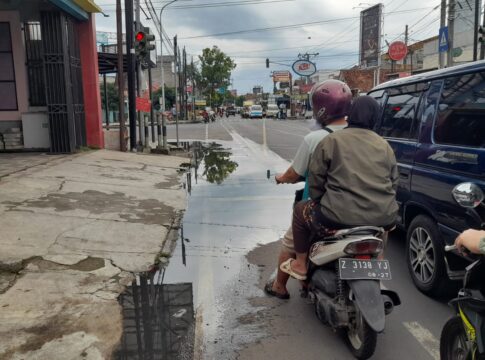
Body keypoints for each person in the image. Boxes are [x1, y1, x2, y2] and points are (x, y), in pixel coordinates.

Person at [280, 96, 399, 280]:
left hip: (336, 217)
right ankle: (379, 260)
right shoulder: (384, 145)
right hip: (383, 218)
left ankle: (301, 264)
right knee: (384, 230)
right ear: (375, 118)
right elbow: (393, 181)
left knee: (299, 210)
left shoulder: (332, 140)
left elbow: (316, 180)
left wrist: (320, 201)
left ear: (349, 115)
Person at [264, 80, 353, 299]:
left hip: (323, 210)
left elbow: (294, 174)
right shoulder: (363, 135)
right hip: (363, 206)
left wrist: (281, 178)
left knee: (290, 241)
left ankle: (280, 286)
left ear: (320, 108)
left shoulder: (315, 138)